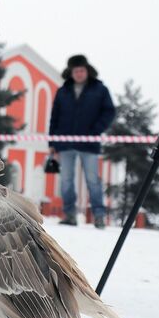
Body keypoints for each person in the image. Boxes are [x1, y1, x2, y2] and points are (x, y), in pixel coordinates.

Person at [49, 54, 115, 229]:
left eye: (82, 70)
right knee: (66, 180)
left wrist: (95, 130)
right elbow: (54, 118)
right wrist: (52, 144)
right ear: (71, 72)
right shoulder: (62, 91)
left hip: (89, 144)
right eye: (75, 70)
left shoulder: (100, 89)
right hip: (65, 144)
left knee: (93, 180)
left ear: (87, 71)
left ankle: (99, 216)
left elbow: (109, 112)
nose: (79, 73)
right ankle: (69, 214)